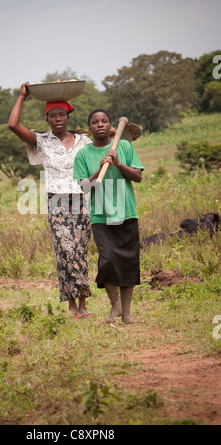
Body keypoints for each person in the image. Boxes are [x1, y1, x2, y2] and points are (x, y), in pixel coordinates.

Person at [8, 82, 92, 318]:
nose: (57, 119)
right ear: (46, 119)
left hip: (82, 202)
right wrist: (22, 96)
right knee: (64, 251)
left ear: (67, 116)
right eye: (52, 115)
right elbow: (12, 125)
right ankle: (71, 304)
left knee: (80, 252)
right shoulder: (42, 141)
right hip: (56, 203)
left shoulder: (83, 142)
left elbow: (104, 140)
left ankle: (83, 303)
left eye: (61, 114)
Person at [73, 109, 144, 323]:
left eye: (104, 121)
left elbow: (138, 176)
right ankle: (115, 306)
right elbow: (85, 187)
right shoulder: (83, 154)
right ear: (90, 128)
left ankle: (127, 313)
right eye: (95, 122)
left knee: (128, 262)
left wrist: (118, 163)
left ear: (111, 126)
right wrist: (99, 169)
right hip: (100, 216)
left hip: (126, 212)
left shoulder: (123, 146)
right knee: (108, 260)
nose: (100, 124)